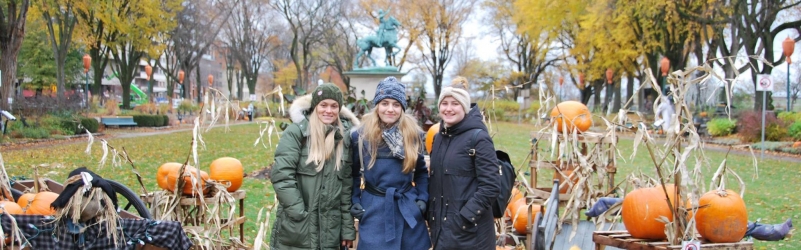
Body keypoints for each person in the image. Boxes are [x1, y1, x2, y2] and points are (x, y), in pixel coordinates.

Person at [270, 83, 359, 250]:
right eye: (323, 105)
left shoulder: (343, 140)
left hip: (330, 231)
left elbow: (346, 187)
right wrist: (299, 214)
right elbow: (282, 176)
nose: (328, 110)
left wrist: (347, 228)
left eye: (334, 106)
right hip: (297, 227)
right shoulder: (297, 133)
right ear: (315, 106)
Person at [350, 77, 431, 250]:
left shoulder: (412, 135)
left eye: (396, 104)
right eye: (385, 103)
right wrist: (355, 199)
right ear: (377, 105)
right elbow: (353, 174)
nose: (390, 109)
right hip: (374, 209)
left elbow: (421, 172)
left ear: (402, 108)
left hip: (407, 207)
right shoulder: (361, 137)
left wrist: (422, 199)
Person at [427, 85, 500, 250]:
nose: (449, 108)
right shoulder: (438, 138)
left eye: (455, 103)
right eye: (444, 103)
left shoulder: (478, 138)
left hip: (470, 233)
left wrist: (465, 217)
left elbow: (491, 186)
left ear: (465, 107)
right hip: (442, 230)